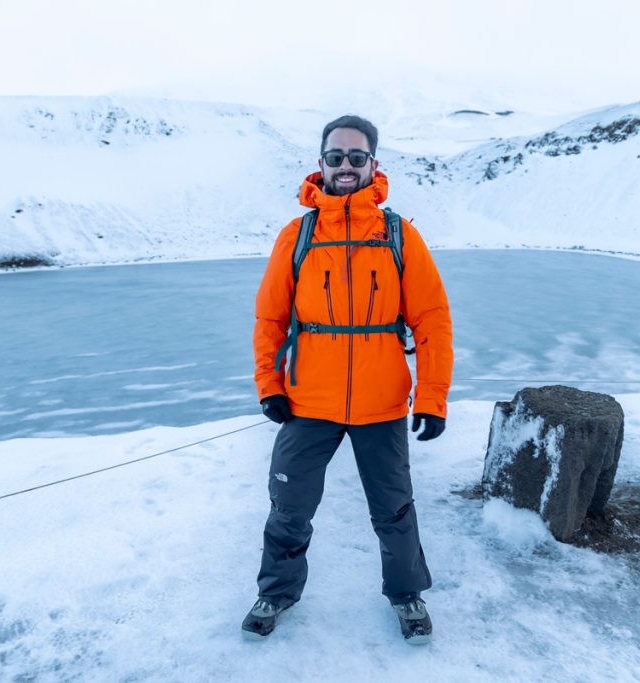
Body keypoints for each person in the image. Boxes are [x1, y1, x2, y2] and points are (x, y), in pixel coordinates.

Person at [243, 114, 453, 644]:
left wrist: (431, 397)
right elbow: (270, 318)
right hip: (308, 401)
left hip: (381, 403)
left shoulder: (399, 235)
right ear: (321, 164)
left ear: (373, 165)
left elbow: (432, 320)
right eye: (335, 157)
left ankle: (407, 595)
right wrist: (269, 384)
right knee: (288, 507)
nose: (345, 166)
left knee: (395, 509)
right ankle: (277, 592)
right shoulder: (298, 235)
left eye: (356, 158)